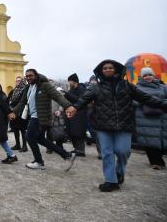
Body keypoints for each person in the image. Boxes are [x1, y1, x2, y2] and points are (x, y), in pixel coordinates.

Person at [71, 60, 167, 192]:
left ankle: (119, 171)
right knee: (107, 153)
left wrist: (163, 104)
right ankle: (111, 181)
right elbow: (84, 99)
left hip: (123, 124)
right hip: (103, 125)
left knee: (123, 152)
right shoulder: (95, 87)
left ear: (116, 70)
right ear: (101, 71)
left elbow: (145, 97)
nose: (108, 70)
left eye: (110, 68)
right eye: (105, 68)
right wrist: (74, 108)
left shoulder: (127, 86)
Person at [11, 69, 77, 171]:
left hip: (41, 117)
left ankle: (39, 162)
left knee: (29, 136)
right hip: (33, 116)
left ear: (36, 75)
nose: (28, 78)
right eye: (27, 76)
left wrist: (68, 106)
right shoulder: (28, 87)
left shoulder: (45, 85)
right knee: (40, 139)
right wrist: (13, 112)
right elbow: (22, 102)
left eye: (31, 75)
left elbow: (57, 96)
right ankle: (67, 155)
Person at [134, 67, 167, 170]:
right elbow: (132, 101)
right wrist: (147, 102)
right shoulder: (137, 88)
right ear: (142, 77)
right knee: (149, 140)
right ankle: (155, 162)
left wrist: (161, 103)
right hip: (145, 118)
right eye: (145, 75)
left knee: (162, 139)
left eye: (150, 75)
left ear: (153, 75)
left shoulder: (162, 87)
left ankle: (159, 159)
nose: (148, 77)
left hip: (161, 117)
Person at [63, 73, 87, 156]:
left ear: (74, 82)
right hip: (71, 113)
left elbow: (81, 100)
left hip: (80, 114)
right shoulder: (71, 90)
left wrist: (68, 94)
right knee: (72, 131)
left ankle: (81, 150)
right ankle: (76, 148)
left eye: (70, 81)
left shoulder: (82, 89)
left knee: (78, 132)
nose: (69, 83)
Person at [7, 76, 28, 152]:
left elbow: (23, 101)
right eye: (16, 81)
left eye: (19, 80)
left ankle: (25, 146)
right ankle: (17, 144)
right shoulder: (14, 90)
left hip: (21, 112)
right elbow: (9, 99)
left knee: (22, 130)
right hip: (13, 111)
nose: (17, 82)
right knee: (15, 129)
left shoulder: (25, 89)